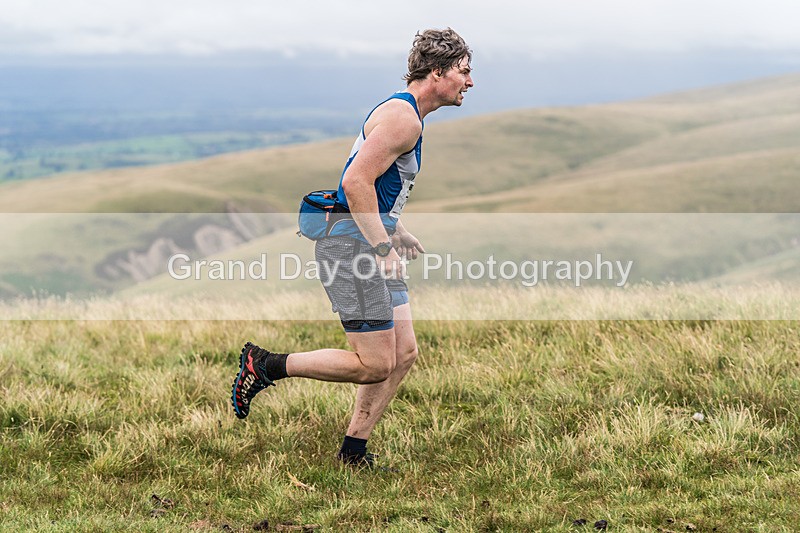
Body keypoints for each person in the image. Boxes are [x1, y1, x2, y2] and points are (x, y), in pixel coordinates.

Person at [231, 28, 473, 467]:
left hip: (366, 242)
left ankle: (353, 452)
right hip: (352, 251)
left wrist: (395, 231)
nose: (470, 82)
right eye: (463, 71)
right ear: (437, 72)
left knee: (404, 353)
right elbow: (354, 182)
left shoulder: (407, 114)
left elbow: (372, 188)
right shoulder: (404, 118)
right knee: (375, 363)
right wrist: (383, 249)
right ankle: (264, 364)